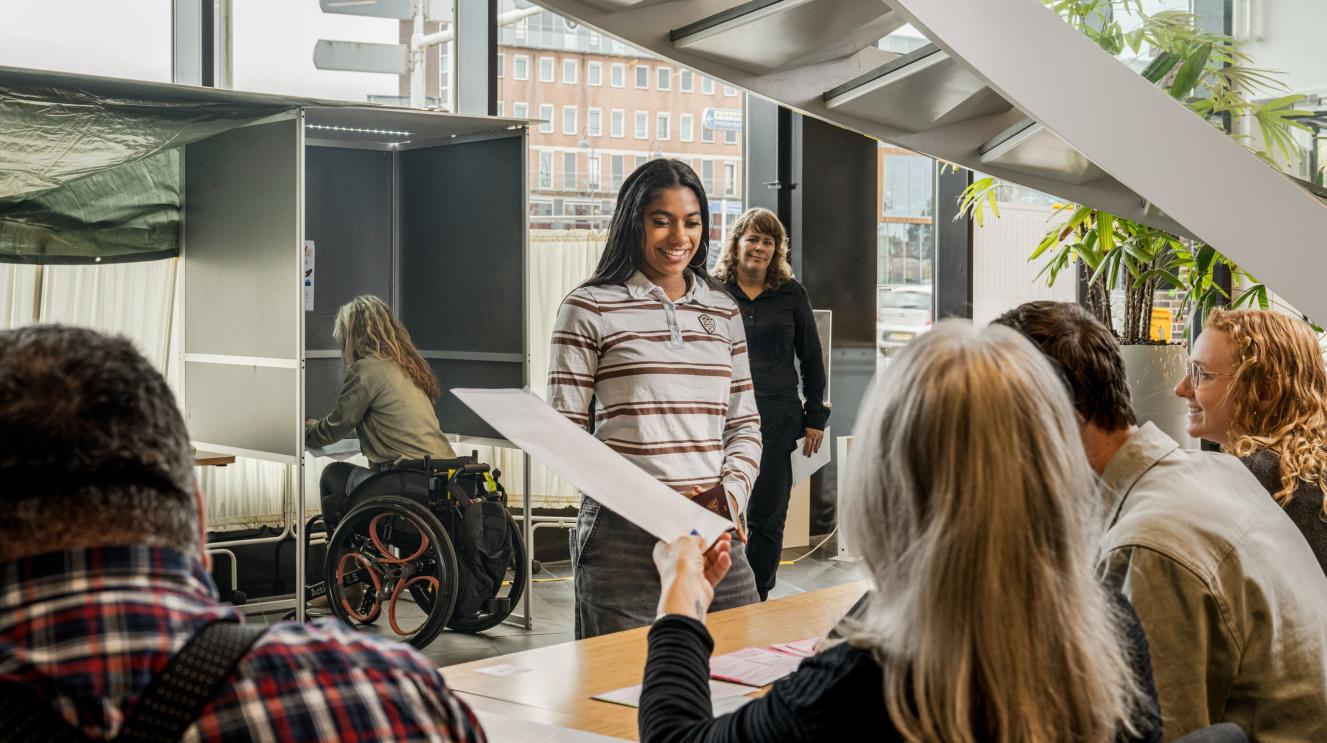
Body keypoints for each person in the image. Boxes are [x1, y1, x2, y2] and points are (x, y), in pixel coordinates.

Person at [638, 322, 1163, 742]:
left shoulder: (865, 683)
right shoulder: (1112, 630)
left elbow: (675, 736)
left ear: (884, 480)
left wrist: (681, 601)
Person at [0, 325, 484, 742]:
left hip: (395, 482)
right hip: (438, 476)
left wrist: (306, 431)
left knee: (333, 481)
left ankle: (351, 571)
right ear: (197, 505)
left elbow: (339, 424)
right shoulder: (396, 699)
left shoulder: (365, 369)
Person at [996, 300, 1327, 742]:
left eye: (993, 426)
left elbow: (1164, 732)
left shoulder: (1150, 546)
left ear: (1056, 418)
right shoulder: (1218, 474)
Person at [548, 158, 761, 639]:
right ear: (633, 223)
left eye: (691, 221)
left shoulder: (723, 310)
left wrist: (729, 496)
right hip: (621, 537)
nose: (678, 237)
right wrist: (647, 503)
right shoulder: (588, 307)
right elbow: (566, 434)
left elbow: (744, 424)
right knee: (620, 694)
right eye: (661, 220)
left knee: (745, 672)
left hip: (713, 528)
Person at [713, 207, 828, 601]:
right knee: (718, 510)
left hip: (777, 416)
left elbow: (811, 356)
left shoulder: (791, 293)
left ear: (776, 249)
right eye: (753, 239)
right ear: (737, 243)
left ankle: (757, 596)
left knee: (768, 514)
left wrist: (816, 416)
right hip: (719, 417)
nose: (760, 248)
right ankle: (716, 592)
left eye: (768, 241)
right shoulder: (713, 290)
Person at [1174, 307, 1327, 575]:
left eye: (1202, 374)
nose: (1181, 388)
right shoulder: (1310, 465)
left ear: (1264, 390)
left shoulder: (1258, 478)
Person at [306, 294, 457, 523]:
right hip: (443, 477)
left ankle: (343, 556)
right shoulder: (409, 366)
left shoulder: (366, 370)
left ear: (352, 336)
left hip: (403, 480)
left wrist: (307, 432)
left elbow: (334, 428)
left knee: (332, 475)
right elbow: (391, 423)